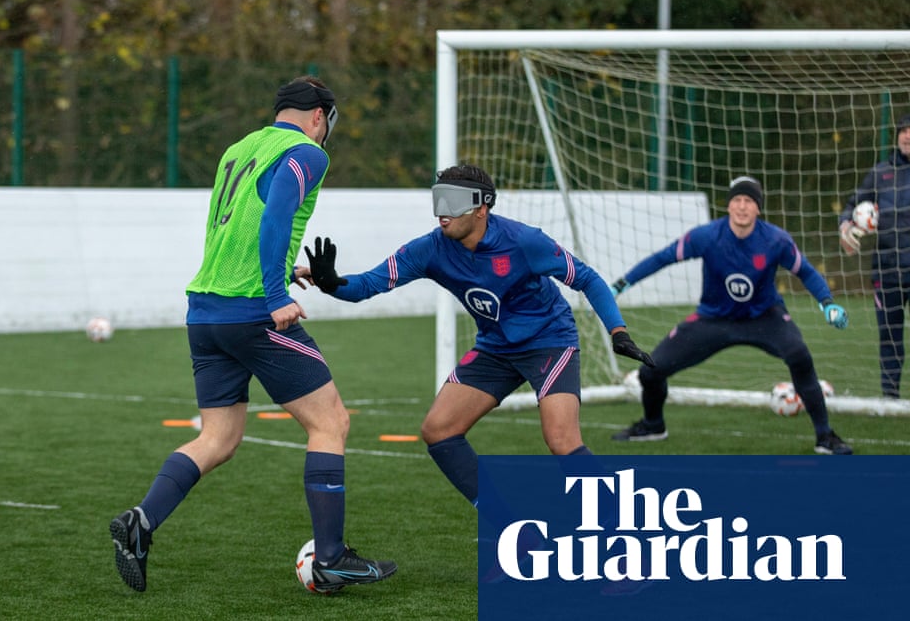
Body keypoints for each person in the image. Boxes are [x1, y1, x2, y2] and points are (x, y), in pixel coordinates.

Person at [108, 76, 396, 594]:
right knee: (331, 422)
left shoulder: (238, 149)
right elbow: (277, 214)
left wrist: (286, 271)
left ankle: (140, 521)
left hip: (205, 314)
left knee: (217, 439)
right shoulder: (306, 152)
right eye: (328, 123)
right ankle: (331, 557)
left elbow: (237, 228)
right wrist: (274, 294)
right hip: (252, 313)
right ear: (318, 117)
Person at [300, 163, 655, 509]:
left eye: (452, 203)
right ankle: (503, 516)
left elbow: (587, 279)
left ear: (481, 207)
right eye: (439, 201)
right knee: (438, 430)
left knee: (562, 440)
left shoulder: (524, 241)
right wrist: (332, 283)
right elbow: (368, 285)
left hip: (549, 340)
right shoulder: (429, 249)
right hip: (495, 347)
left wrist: (617, 331)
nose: (442, 213)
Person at [610, 176, 853, 454]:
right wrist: (621, 285)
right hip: (714, 319)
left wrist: (827, 303)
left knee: (799, 354)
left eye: (748, 201)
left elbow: (806, 272)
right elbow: (662, 258)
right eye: (736, 200)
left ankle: (825, 436)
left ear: (758, 208)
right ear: (728, 206)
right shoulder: (706, 236)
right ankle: (653, 425)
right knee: (651, 371)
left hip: (764, 318)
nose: (741, 206)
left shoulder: (775, 240)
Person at [840, 113, 910, 399]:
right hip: (888, 268)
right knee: (890, 336)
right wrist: (846, 224)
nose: (907, 136)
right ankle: (890, 396)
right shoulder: (881, 172)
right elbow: (853, 204)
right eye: (904, 131)